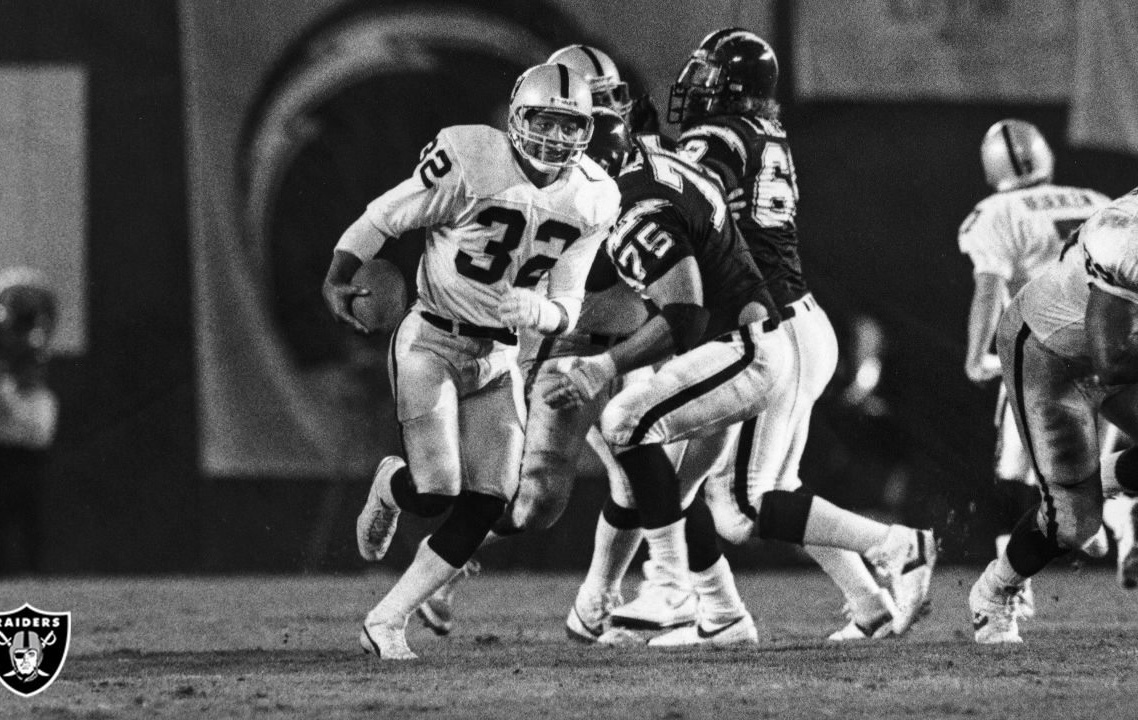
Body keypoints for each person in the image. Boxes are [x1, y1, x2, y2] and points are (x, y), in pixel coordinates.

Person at [637, 27, 935, 643]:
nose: (693, 86)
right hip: (799, 322)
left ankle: (899, 545)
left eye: (706, 74)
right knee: (777, 489)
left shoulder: (715, 137)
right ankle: (869, 604)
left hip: (769, 328)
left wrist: (642, 165)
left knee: (743, 511)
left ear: (733, 85)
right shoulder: (764, 134)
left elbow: (689, 208)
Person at [326, 63, 620, 660]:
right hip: (432, 340)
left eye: (571, 126)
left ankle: (386, 620)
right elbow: (384, 216)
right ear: (517, 117)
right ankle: (391, 486)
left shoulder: (594, 195)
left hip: (500, 354)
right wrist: (338, 276)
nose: (557, 139)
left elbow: (568, 303)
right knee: (436, 492)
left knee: (490, 498)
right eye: (546, 121)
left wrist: (537, 313)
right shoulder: (470, 156)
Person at [546, 120, 793, 648]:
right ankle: (725, 616)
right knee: (666, 491)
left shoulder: (633, 210)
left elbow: (683, 314)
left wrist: (599, 367)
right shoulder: (661, 167)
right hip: (740, 343)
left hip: (738, 348)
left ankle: (673, 593)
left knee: (625, 422)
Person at [970, 154, 1138, 644]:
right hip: (1052, 351)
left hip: (1135, 337)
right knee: (1075, 525)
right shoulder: (1135, 239)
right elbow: (1113, 361)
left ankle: (1095, 481)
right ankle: (994, 592)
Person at [958, 119, 1138, 613]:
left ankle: (1012, 592)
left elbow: (989, 286)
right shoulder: (1093, 198)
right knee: (1084, 477)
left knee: (1016, 476)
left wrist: (976, 355)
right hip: (1108, 350)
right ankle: (1122, 513)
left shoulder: (997, 211)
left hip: (1044, 349)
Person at [0, 269, 60, 575]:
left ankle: (36, 574)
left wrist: (4, 394)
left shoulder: (44, 399)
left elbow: (38, 435)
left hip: (28, 463)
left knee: (31, 523)